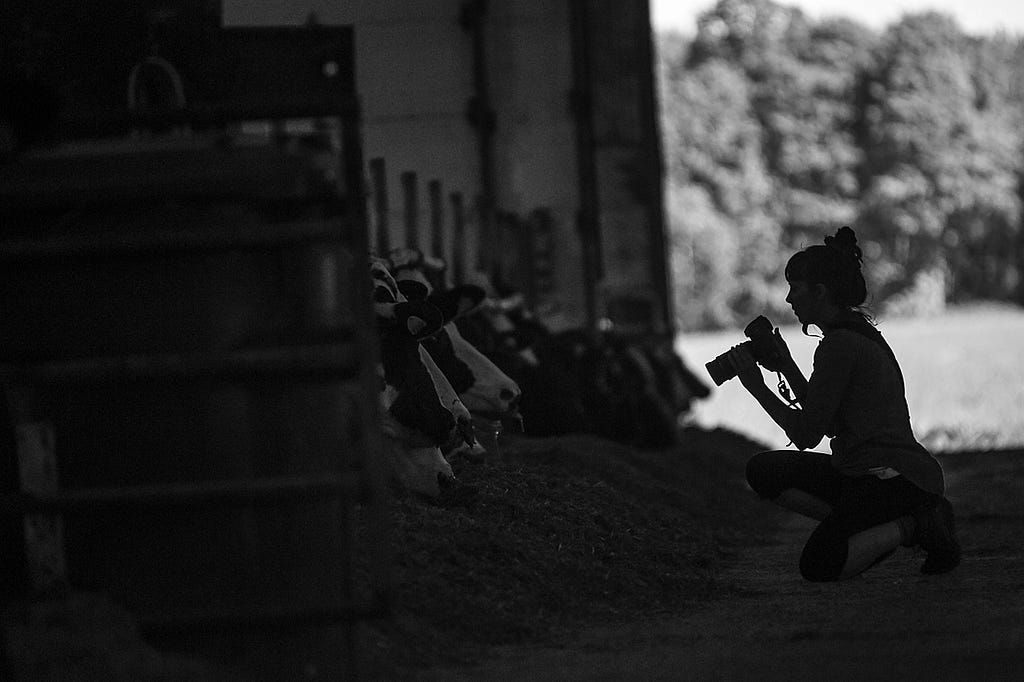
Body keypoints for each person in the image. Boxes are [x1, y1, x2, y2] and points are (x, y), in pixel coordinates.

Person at [727, 226, 960, 582]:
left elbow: (807, 435)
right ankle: (863, 525)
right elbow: (832, 424)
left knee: (819, 565)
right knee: (764, 471)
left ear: (820, 293)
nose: (790, 300)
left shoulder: (839, 345)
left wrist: (757, 388)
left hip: (894, 479)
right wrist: (787, 366)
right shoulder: (852, 333)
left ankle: (918, 524)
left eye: (796, 290)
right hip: (862, 472)